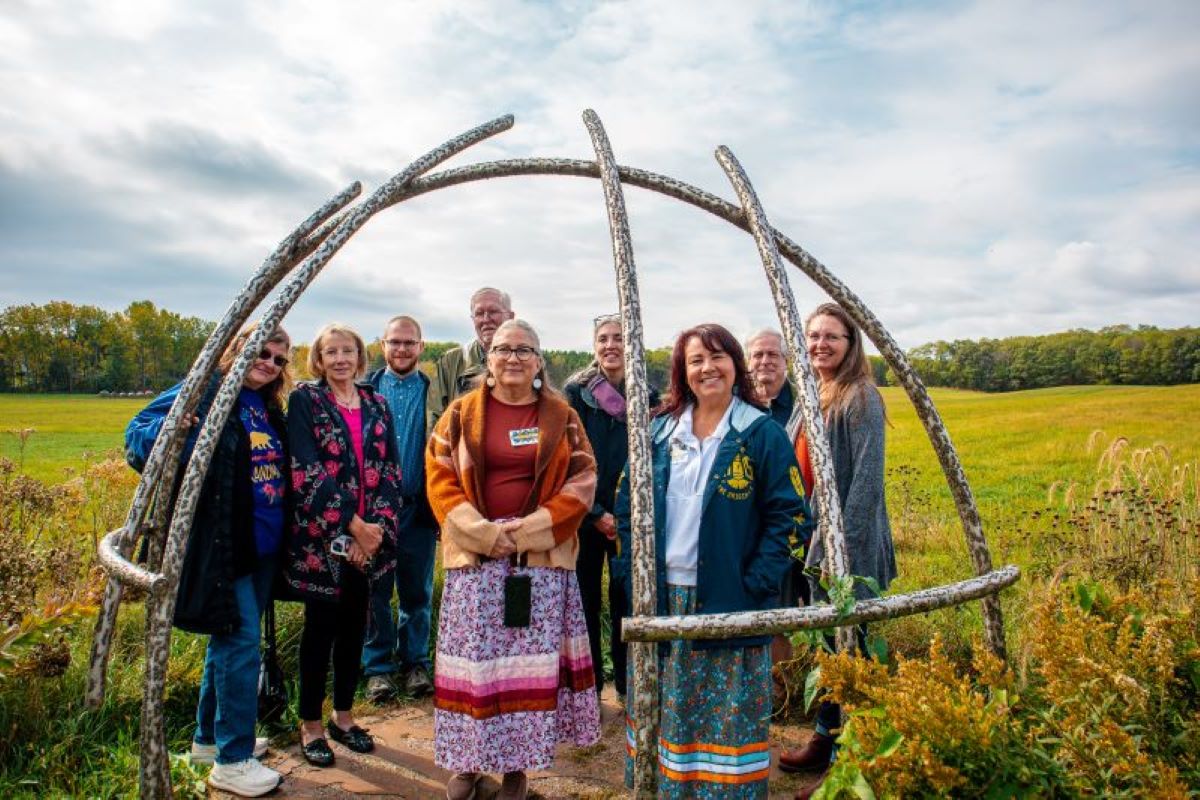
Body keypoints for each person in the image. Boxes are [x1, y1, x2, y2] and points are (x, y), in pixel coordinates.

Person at [615, 323, 811, 799]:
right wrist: (632, 575)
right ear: (682, 371)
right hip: (663, 599)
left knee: (725, 717)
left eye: (717, 356)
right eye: (696, 360)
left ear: (735, 365)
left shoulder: (759, 433)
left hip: (729, 596)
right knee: (667, 710)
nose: (708, 368)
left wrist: (755, 583)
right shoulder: (658, 431)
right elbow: (626, 507)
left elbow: (791, 517)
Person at [426, 318, 601, 800]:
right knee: (474, 665)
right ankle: (467, 763)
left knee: (526, 669)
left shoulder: (562, 416)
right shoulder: (460, 414)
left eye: (525, 350)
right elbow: (440, 477)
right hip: (476, 560)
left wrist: (527, 532)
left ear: (539, 361)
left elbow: (583, 480)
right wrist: (485, 534)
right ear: (489, 358)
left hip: (539, 562)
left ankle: (516, 769)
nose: (514, 358)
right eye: (504, 349)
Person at [125, 323, 292, 798]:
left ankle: (207, 741)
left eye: (279, 359)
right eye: (262, 352)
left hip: (261, 543)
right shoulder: (206, 389)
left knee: (227, 639)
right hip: (224, 541)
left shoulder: (265, 404)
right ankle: (233, 761)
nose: (269, 364)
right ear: (238, 348)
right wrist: (173, 430)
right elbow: (136, 436)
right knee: (241, 643)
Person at [778, 303, 897, 800]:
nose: (820, 344)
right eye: (813, 336)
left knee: (853, 654)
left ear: (851, 344)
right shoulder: (811, 393)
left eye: (831, 336)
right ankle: (825, 741)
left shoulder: (860, 396)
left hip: (851, 551)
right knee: (830, 652)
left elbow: (866, 483)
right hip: (815, 545)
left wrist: (839, 556)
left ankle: (850, 764)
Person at [284, 323, 403, 768]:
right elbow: (306, 469)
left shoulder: (377, 403)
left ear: (359, 357)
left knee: (355, 626)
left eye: (347, 351)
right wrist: (351, 526)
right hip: (322, 540)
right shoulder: (306, 400)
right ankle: (311, 725)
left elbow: (390, 471)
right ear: (318, 359)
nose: (339, 359)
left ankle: (344, 717)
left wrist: (374, 533)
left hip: (368, 542)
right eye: (330, 352)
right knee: (320, 631)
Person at [563, 313, 658, 702]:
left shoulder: (648, 396)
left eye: (619, 337)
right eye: (603, 338)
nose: (611, 345)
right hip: (584, 516)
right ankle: (588, 690)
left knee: (628, 602)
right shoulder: (576, 393)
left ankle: (627, 684)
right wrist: (595, 513)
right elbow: (567, 458)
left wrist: (624, 515)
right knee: (583, 602)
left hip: (630, 520)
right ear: (594, 345)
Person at [362, 315, 438, 702]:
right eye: (395, 342)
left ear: (421, 347)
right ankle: (377, 668)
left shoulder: (433, 392)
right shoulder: (365, 391)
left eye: (410, 342)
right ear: (383, 345)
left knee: (416, 592)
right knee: (374, 592)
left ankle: (415, 663)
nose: (402, 349)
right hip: (374, 509)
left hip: (418, 507)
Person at [428, 287, 515, 428]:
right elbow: (435, 419)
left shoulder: (528, 360)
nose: (486, 319)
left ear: (510, 317)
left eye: (493, 311)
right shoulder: (449, 362)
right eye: (479, 313)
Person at [745, 328, 796, 429]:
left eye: (772, 354)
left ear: (786, 362)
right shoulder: (737, 400)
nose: (765, 361)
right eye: (758, 355)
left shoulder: (803, 400)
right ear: (749, 362)